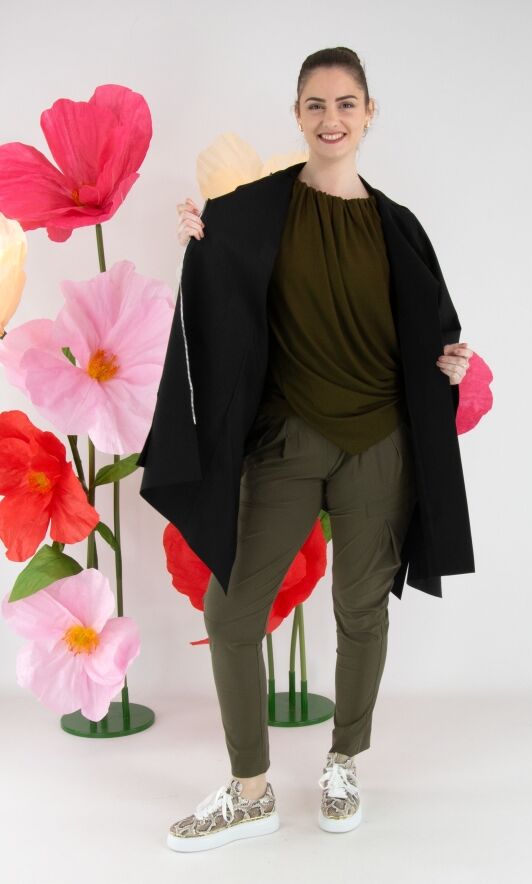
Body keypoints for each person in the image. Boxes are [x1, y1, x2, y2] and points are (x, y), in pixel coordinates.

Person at [165, 47, 473, 853]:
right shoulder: (253, 211)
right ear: (297, 116)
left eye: (345, 104)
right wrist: (199, 242)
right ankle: (250, 790)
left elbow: (432, 333)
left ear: (369, 114)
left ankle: (343, 762)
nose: (330, 119)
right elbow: (220, 295)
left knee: (360, 611)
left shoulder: (398, 226)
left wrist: (450, 364)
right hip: (289, 439)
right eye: (315, 105)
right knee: (232, 612)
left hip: (380, 444)